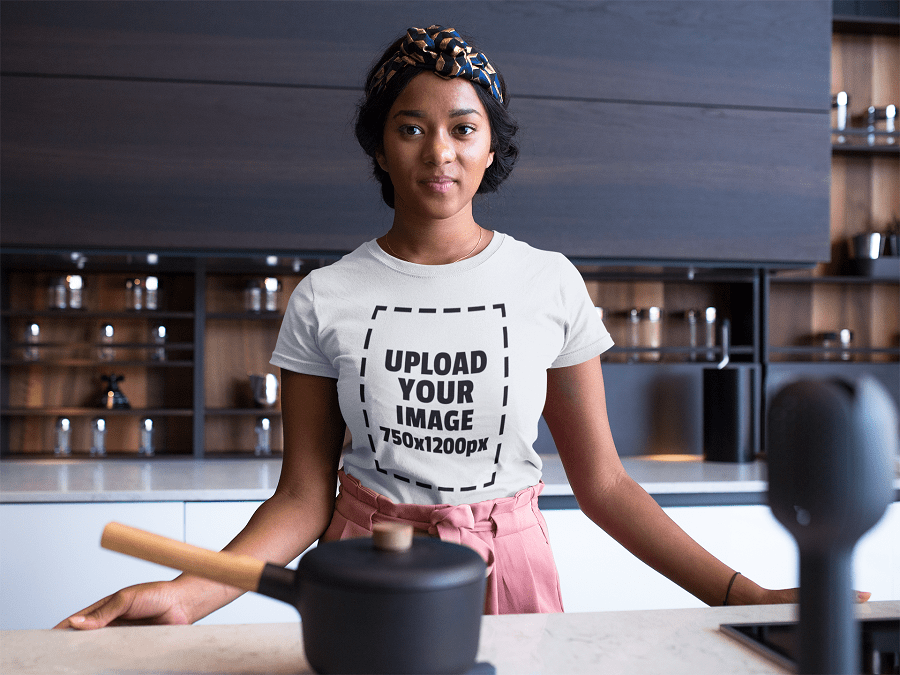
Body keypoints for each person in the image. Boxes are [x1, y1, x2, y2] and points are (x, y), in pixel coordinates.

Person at [56, 25, 859, 629]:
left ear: (489, 148)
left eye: (462, 128)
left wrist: (743, 595)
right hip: (365, 570)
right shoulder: (325, 296)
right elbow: (302, 498)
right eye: (410, 126)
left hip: (509, 575)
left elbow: (605, 486)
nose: (437, 150)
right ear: (379, 144)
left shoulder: (549, 282)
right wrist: (186, 596)